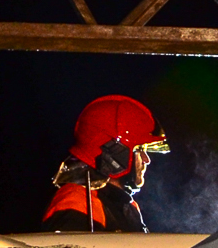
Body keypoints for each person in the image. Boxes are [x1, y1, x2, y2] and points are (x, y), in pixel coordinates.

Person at [38, 94, 169, 231]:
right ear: (115, 153)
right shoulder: (79, 202)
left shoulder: (127, 206)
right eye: (140, 150)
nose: (147, 160)